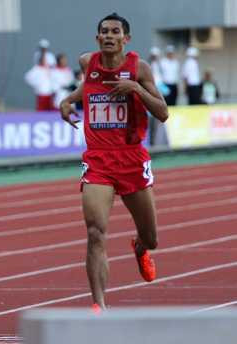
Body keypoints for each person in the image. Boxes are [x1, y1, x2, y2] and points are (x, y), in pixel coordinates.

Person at [59, 13, 169, 311]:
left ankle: (140, 247)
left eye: (115, 32)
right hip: (98, 159)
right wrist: (67, 100)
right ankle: (99, 305)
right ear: (98, 38)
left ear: (125, 38)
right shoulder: (88, 63)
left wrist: (137, 89)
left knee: (152, 238)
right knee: (95, 232)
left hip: (132, 157)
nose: (109, 36)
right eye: (104, 31)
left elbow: (163, 113)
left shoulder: (139, 68)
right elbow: (89, 88)